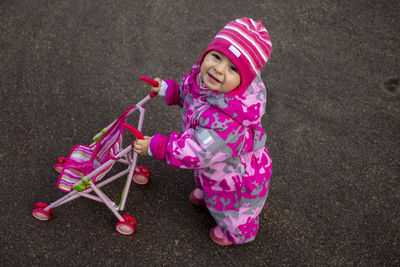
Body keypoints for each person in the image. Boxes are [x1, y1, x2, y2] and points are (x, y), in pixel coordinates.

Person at [134, 18, 272, 246]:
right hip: (214, 164)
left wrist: (158, 146)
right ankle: (208, 192)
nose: (218, 69)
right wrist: (170, 90)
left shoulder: (228, 122)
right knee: (207, 177)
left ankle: (237, 233)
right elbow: (191, 95)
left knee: (232, 206)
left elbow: (197, 151)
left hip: (237, 178)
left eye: (232, 68)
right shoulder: (206, 82)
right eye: (216, 57)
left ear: (243, 81)